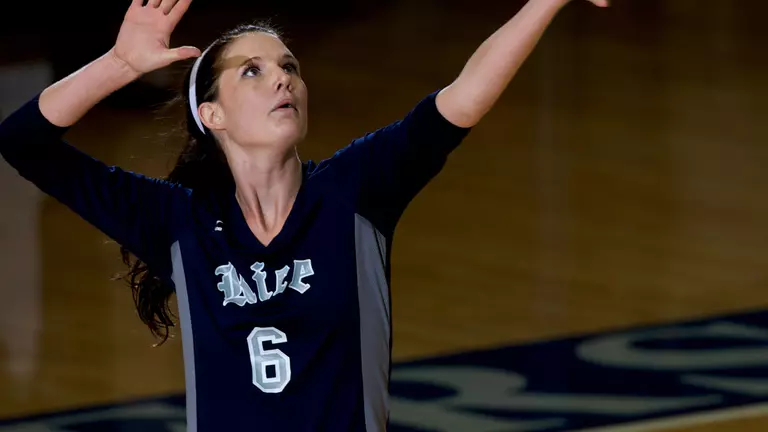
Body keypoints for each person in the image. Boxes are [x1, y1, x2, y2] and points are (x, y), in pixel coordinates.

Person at [0, 0, 608, 430]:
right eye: (253, 71)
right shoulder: (179, 222)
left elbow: (463, 99)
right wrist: (121, 64)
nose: (283, 80)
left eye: (289, 67)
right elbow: (23, 142)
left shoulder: (353, 191)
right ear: (213, 116)